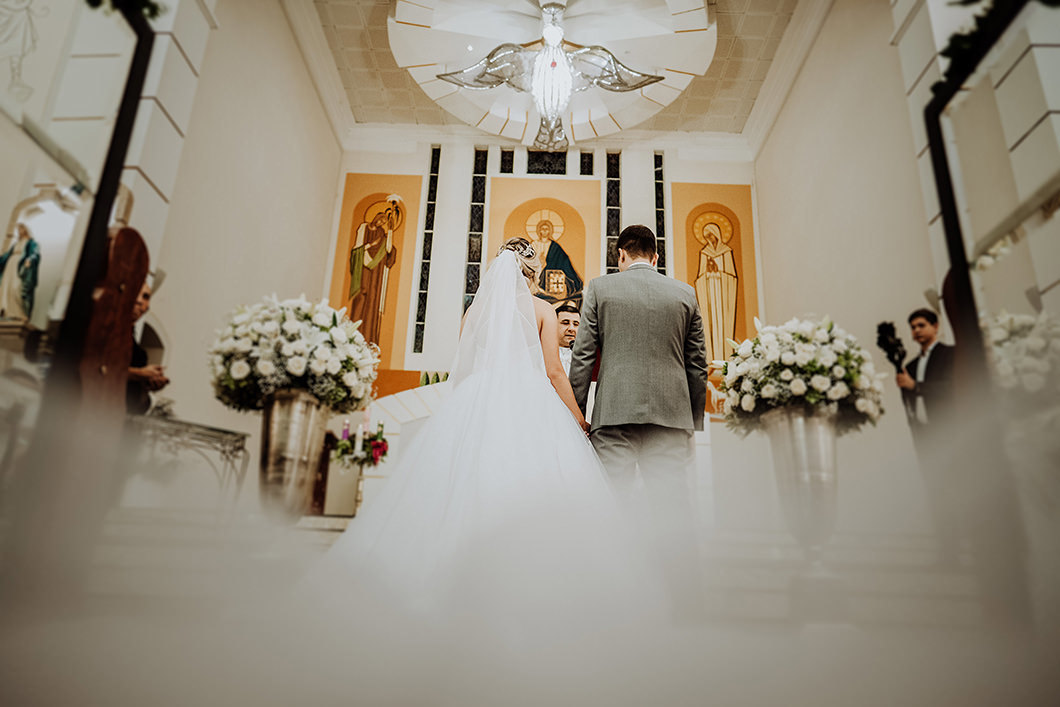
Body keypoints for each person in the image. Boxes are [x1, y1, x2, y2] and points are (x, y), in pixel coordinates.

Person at [568, 223, 709, 613]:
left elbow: (582, 357)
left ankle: (610, 602)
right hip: (671, 417)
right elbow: (698, 365)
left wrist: (576, 414)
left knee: (611, 504)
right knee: (673, 508)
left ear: (621, 256)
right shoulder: (685, 293)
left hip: (614, 416)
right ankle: (686, 604)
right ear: (656, 256)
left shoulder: (600, 288)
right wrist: (691, 421)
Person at [895, 307, 960, 564]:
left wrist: (916, 386)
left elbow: (952, 388)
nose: (916, 331)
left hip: (949, 430)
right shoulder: (910, 366)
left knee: (956, 489)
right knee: (936, 492)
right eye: (913, 327)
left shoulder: (951, 355)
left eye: (921, 325)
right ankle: (947, 548)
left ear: (936, 326)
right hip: (924, 435)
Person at [126, 281, 168, 414]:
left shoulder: (140, 353)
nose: (139, 301)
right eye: (135, 293)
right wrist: (139, 374)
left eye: (145, 297)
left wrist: (147, 385)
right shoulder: (107, 331)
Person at [555, 302, 580, 374]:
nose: (571, 329)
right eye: (565, 323)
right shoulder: (542, 354)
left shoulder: (586, 356)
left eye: (576, 324)